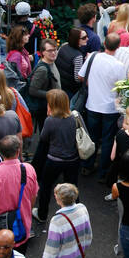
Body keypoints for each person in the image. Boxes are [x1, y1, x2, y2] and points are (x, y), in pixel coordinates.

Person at [76, 31, 126, 179]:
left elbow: (80, 76)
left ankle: (87, 165)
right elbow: (122, 89)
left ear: (104, 44)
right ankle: (103, 172)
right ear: (118, 47)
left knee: (92, 137)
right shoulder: (119, 65)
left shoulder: (93, 57)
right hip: (110, 108)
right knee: (107, 140)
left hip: (92, 104)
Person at [0, 134, 38, 252]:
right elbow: (33, 196)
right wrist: (27, 212)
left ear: (0, 153)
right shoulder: (28, 169)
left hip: (1, 231)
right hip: (22, 227)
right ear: (18, 151)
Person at [32, 89, 80, 223]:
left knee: (46, 186)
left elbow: (43, 138)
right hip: (72, 160)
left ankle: (42, 214)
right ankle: (76, 214)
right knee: (73, 187)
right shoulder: (73, 117)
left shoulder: (50, 121)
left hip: (54, 160)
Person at [27, 39, 60, 129]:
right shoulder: (43, 69)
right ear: (43, 53)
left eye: (55, 50)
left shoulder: (51, 62)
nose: (53, 53)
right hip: (45, 110)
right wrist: (52, 94)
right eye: (50, 51)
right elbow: (33, 90)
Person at [56, 27, 86, 102]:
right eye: (84, 38)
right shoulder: (78, 56)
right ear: (77, 40)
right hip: (71, 90)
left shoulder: (63, 46)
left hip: (60, 85)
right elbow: (77, 78)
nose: (87, 39)